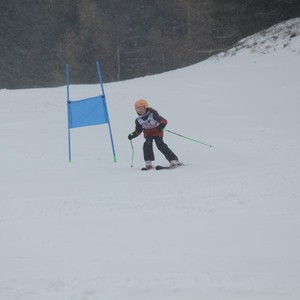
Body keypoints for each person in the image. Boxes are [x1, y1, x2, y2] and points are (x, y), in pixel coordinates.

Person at [128, 99, 179, 169]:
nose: (140, 110)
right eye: (138, 109)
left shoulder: (153, 114)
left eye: (142, 108)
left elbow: (163, 120)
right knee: (147, 144)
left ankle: (173, 160)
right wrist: (132, 135)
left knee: (160, 145)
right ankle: (148, 162)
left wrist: (161, 125)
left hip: (157, 132)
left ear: (145, 107)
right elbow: (138, 130)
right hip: (148, 134)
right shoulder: (138, 120)